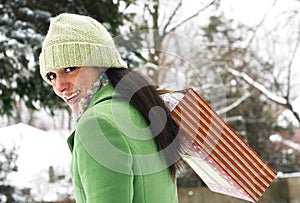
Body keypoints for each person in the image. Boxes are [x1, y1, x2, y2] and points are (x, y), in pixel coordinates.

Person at [39, 13, 185, 203]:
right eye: (52, 76)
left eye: (69, 69)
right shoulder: (140, 107)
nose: (59, 86)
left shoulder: (97, 125)